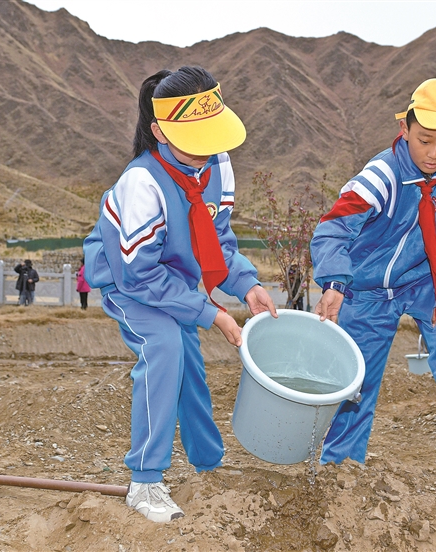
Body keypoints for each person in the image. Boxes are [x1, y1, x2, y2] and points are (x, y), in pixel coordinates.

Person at [83, 66, 277, 523]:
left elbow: (218, 238)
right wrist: (210, 313)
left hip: (173, 278)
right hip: (127, 281)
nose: (208, 147)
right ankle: (145, 480)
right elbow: (139, 276)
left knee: (189, 360)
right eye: (196, 137)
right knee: (165, 346)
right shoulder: (142, 183)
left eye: (214, 134)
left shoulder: (217, 164)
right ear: (160, 131)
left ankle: (208, 465)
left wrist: (246, 284)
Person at [310, 77, 436, 470]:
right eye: (425, 140)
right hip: (367, 288)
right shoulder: (381, 175)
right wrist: (334, 282)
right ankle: (341, 464)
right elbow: (332, 229)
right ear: (405, 129)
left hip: (424, 279)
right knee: (356, 375)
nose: (435, 154)